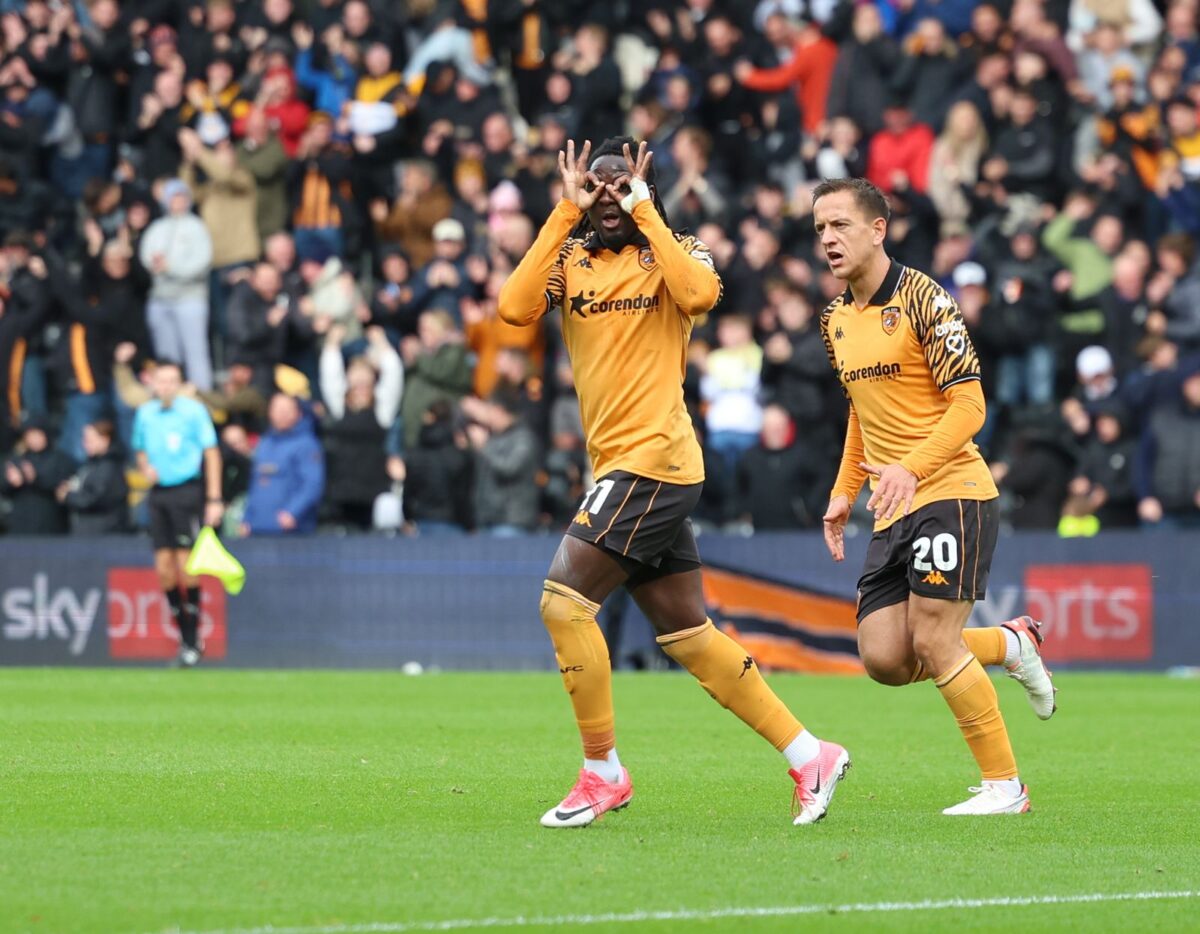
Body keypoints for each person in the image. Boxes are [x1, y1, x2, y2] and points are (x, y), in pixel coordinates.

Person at [500, 136, 848, 829]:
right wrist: (562, 212)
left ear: (644, 189)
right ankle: (811, 755)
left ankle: (602, 772)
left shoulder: (673, 252)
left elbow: (701, 293)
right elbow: (514, 307)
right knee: (688, 634)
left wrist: (647, 211)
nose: (607, 196)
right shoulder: (570, 260)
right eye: (596, 185)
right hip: (622, 467)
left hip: (654, 460)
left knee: (563, 605)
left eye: (621, 184)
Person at [813, 178, 1056, 816]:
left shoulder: (925, 298)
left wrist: (912, 468)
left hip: (952, 488)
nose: (828, 239)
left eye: (840, 225)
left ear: (878, 230)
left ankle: (1005, 787)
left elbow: (970, 405)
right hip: (893, 501)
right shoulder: (834, 319)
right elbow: (861, 412)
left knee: (935, 639)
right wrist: (844, 491)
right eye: (820, 229)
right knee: (885, 659)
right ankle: (1010, 644)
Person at [131, 362, 224, 667]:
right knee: (164, 569)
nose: (166, 386)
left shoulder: (193, 411)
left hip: (187, 491)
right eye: (162, 381)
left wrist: (214, 497)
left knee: (187, 565)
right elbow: (140, 449)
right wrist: (145, 467)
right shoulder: (145, 413)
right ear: (153, 383)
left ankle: (192, 638)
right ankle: (185, 637)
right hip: (159, 493)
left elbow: (211, 453)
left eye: (172, 380)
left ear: (180, 383)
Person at [241, 394, 324, 535]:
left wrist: (292, 513)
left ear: (298, 413)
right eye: (277, 409)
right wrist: (247, 518)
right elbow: (256, 484)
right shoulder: (265, 442)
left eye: (287, 410)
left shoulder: (306, 444)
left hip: (290, 529)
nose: (282, 414)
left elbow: (312, 484)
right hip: (257, 526)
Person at [57, 420, 129, 535]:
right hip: (90, 530)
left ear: (105, 440)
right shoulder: (91, 464)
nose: (85, 444)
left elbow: (96, 498)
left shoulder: (109, 467)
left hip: (104, 533)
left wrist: (68, 496)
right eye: (84, 440)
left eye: (90, 440)